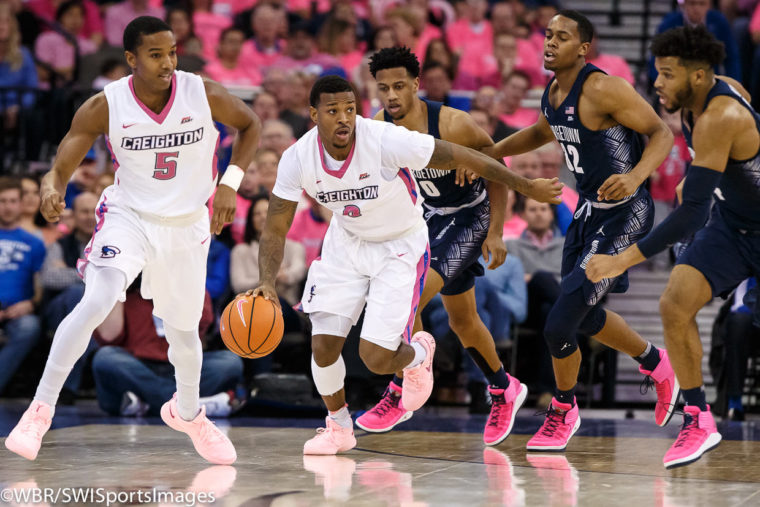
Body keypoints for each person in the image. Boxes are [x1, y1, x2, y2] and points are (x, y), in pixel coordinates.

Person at [250, 75, 562, 456]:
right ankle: (338, 426)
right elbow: (276, 225)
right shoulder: (297, 157)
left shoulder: (383, 137)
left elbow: (464, 155)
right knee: (323, 346)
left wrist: (524, 186)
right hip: (346, 244)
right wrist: (266, 281)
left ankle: (416, 358)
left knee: (376, 356)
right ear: (314, 115)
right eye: (333, 111)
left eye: (350, 109)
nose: (344, 118)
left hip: (400, 244)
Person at [4, 16, 261, 465]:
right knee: (98, 298)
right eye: (155, 54)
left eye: (172, 52)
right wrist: (51, 186)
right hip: (131, 216)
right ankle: (39, 411)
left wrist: (230, 184)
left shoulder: (202, 91)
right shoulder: (106, 105)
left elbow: (252, 124)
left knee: (184, 334)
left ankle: (188, 413)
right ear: (131, 59)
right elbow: (63, 158)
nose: (167, 63)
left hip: (186, 223)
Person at [484, 10, 678, 452]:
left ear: (583, 47)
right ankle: (656, 363)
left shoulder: (604, 87)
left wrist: (635, 176)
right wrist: (489, 152)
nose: (550, 42)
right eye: (548, 35)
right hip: (589, 213)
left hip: (626, 211)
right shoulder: (553, 91)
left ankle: (563, 408)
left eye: (562, 36)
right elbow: (540, 131)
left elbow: (660, 133)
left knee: (559, 325)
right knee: (583, 315)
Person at [586, 24, 760, 469]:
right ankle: (699, 419)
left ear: (698, 75)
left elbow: (690, 216)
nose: (656, 83)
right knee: (673, 305)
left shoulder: (722, 114)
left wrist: (620, 260)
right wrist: (700, 177)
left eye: (666, 74)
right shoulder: (697, 103)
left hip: (737, 221)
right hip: (736, 224)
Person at [360, 45, 551, 446]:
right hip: (428, 218)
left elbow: (497, 170)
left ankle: (402, 387)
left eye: (399, 86)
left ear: (416, 85)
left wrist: (496, 231)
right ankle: (504, 388)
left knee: (408, 291)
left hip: (470, 214)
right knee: (463, 319)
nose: (391, 96)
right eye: (383, 88)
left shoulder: (453, 123)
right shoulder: (378, 125)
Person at [0, 177, 45, 396]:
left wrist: (30, 303)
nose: (7, 207)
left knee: (30, 327)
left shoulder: (34, 243)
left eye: (12, 201)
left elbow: (39, 287)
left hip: (18, 311)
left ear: (20, 203)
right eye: (2, 201)